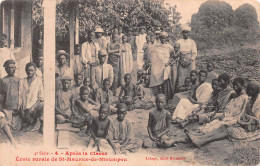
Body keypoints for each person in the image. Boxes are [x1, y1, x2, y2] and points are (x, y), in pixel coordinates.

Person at [186, 77, 249, 147]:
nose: (235, 87)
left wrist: (232, 119)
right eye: (234, 85)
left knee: (219, 124)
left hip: (233, 118)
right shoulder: (234, 95)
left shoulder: (245, 98)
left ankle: (200, 137)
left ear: (243, 86)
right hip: (226, 116)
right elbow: (228, 109)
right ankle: (198, 134)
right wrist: (223, 115)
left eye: (237, 85)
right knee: (214, 122)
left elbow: (242, 112)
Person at [149, 32, 176, 102]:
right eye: (162, 38)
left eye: (164, 38)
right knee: (157, 80)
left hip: (166, 65)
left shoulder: (169, 46)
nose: (163, 39)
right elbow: (153, 56)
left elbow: (172, 56)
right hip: (157, 67)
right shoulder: (156, 46)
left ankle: (166, 98)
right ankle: (158, 97)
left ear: (167, 39)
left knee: (166, 80)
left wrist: (168, 62)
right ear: (160, 38)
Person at [19, 62, 44, 132]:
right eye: (28, 70)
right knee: (20, 125)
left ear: (35, 70)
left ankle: (41, 124)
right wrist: (21, 109)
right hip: (25, 108)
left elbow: (41, 97)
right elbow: (20, 95)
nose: (29, 72)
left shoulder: (38, 80)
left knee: (43, 105)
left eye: (31, 70)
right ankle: (32, 123)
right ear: (25, 70)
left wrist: (33, 107)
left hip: (34, 108)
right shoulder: (22, 81)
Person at [0, 60, 20, 131]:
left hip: (17, 108)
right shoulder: (3, 81)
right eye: (8, 68)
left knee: (16, 128)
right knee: (6, 126)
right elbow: (1, 95)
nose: (10, 69)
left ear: (15, 68)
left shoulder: (19, 80)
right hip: (7, 108)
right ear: (5, 69)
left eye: (12, 67)